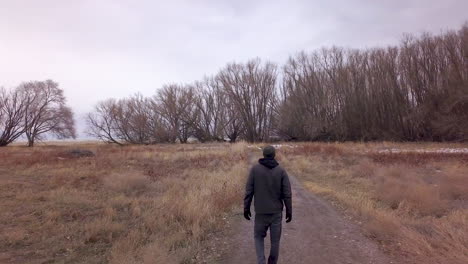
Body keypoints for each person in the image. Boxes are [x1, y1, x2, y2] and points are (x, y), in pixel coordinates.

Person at [244, 145, 292, 264]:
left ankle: (261, 261)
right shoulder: (281, 171)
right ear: (274, 155)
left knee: (258, 237)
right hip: (276, 213)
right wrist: (289, 211)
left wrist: (246, 207)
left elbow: (249, 191)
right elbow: (287, 194)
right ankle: (272, 262)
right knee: (275, 241)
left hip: (260, 212)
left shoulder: (255, 170)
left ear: (264, 155)